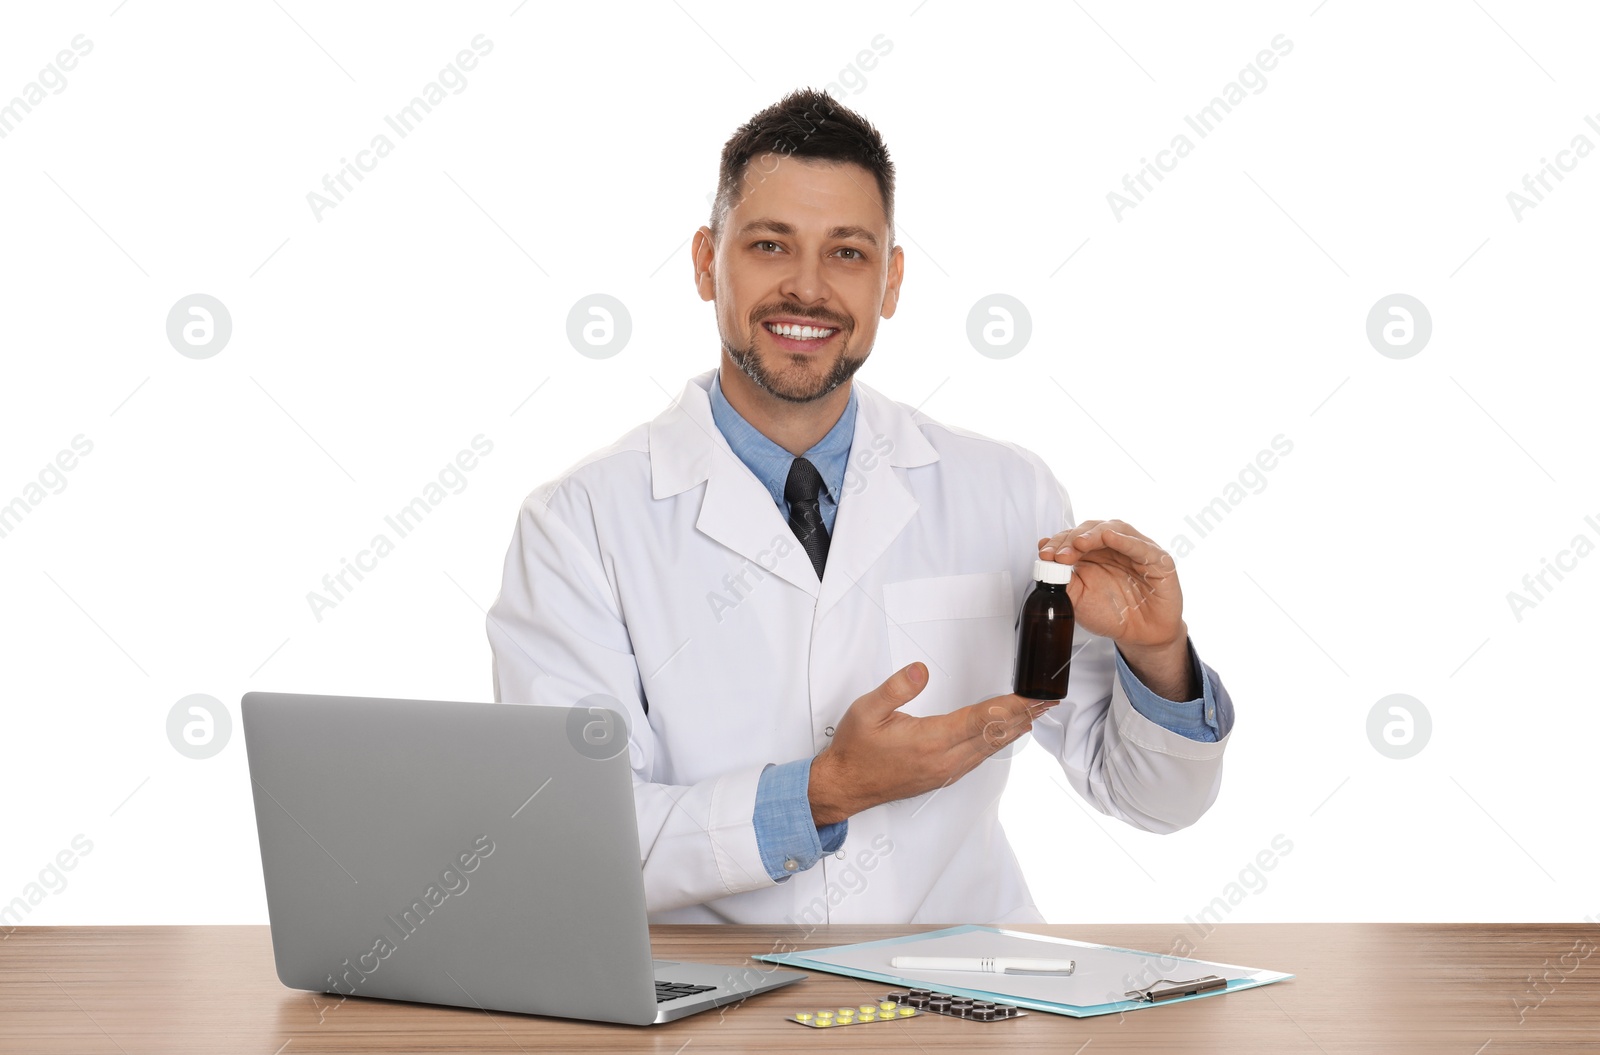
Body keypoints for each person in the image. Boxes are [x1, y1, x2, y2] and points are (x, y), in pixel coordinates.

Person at [487, 89, 1234, 925]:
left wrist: (1160, 653)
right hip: (714, 1001)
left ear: (891, 281)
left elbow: (1155, 799)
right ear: (706, 262)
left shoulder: (1009, 492)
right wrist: (822, 792)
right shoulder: (580, 524)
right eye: (770, 245)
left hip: (964, 989)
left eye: (847, 253)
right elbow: (577, 836)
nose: (807, 290)